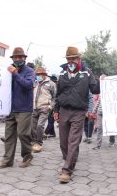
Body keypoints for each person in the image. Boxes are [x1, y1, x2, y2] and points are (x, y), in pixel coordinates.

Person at [53, 46, 100, 183]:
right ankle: (70, 159)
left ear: (79, 59)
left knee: (73, 141)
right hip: (63, 111)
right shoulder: (62, 74)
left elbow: (95, 89)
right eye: (69, 59)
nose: (71, 61)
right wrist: (56, 110)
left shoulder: (86, 73)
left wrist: (102, 82)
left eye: (73, 58)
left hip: (79, 112)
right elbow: (58, 94)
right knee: (63, 142)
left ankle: (67, 170)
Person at [0, 47, 35, 169]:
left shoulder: (29, 71)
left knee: (23, 134)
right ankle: (7, 160)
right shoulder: (7, 70)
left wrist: (15, 74)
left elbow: (28, 85)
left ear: (24, 58)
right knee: (9, 135)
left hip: (24, 108)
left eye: (20, 57)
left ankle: (27, 155)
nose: (18, 59)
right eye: (16, 57)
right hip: (10, 108)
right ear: (12, 59)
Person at [31, 67, 56, 153]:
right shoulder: (35, 83)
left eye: (39, 74)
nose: (38, 76)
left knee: (39, 125)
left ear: (44, 75)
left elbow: (55, 98)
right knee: (32, 126)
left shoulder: (51, 84)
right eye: (37, 74)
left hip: (44, 108)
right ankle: (34, 141)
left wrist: (50, 107)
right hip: (34, 108)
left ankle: (39, 143)